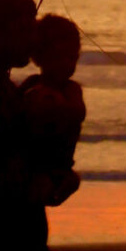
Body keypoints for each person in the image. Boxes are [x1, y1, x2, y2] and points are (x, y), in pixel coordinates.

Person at [20, 14, 86, 207]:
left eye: (72, 57)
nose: (66, 63)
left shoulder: (71, 90)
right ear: (39, 57)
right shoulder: (32, 87)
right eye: (58, 57)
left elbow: (75, 113)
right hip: (33, 170)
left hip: (56, 170)